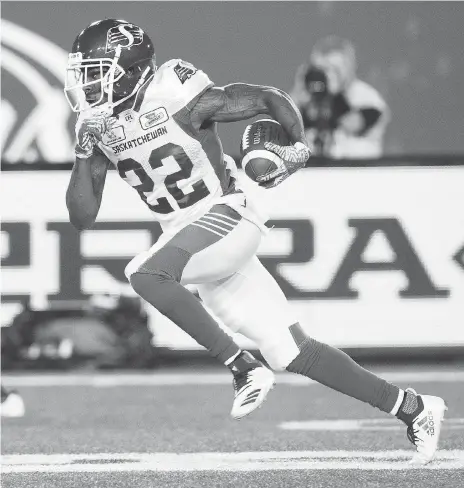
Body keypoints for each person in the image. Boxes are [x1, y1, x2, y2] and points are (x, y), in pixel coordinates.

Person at [65, 19, 446, 464]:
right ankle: (414, 409)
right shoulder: (100, 127)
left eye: (96, 71)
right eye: (84, 72)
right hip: (194, 241)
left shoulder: (175, 92)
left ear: (129, 69)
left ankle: (242, 367)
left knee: (145, 273)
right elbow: (83, 216)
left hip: (227, 213)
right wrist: (83, 151)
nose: (87, 83)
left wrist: (296, 146)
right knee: (292, 351)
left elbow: (267, 98)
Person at [291, 36, 389, 159]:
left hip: (359, 171)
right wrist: (299, 90)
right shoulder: (309, 96)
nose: (329, 74)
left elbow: (352, 124)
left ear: (350, 66)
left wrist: (332, 94)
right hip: (317, 172)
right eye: (323, 69)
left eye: (335, 68)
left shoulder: (368, 97)